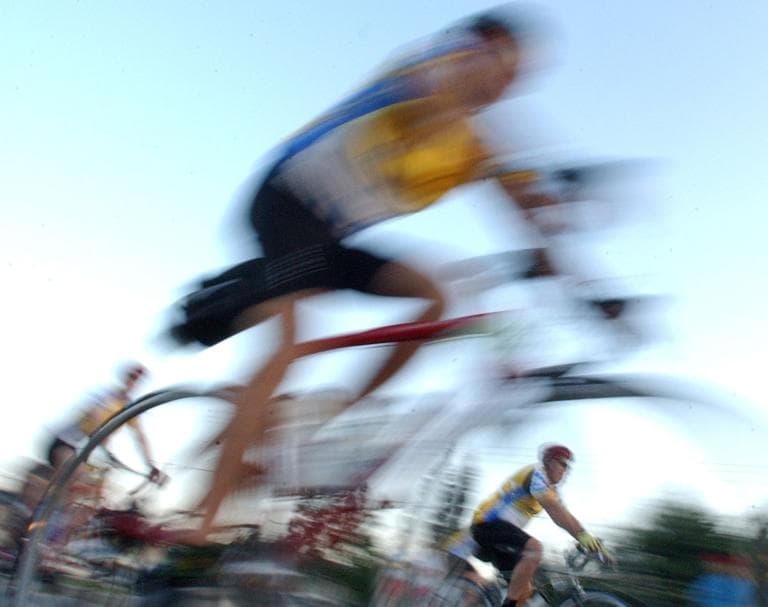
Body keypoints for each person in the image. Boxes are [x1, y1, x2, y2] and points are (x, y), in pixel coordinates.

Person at [167, 5, 609, 538]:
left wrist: (592, 291)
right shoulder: (431, 71)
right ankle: (205, 514)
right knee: (287, 346)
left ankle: (322, 417)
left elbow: (531, 218)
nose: (504, 82)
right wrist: (506, 159)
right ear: (476, 48)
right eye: (501, 64)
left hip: (329, 237)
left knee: (433, 299)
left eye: (515, 76)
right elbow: (440, 102)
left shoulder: (476, 142)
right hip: (286, 199)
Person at [462, 444, 604, 607]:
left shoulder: (552, 490)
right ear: (549, 461)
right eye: (562, 464)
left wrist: (588, 542)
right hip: (486, 525)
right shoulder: (537, 473)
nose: (565, 471)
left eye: (568, 468)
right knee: (535, 549)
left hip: (503, 536)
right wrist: (583, 535)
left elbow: (564, 516)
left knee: (524, 592)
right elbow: (554, 509)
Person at [45, 362, 158, 480]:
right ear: (125, 377)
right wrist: (104, 440)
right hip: (65, 443)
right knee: (77, 475)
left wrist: (150, 465)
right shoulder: (106, 394)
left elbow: (140, 437)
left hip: (84, 451)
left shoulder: (129, 408)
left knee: (91, 483)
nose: (133, 382)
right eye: (131, 377)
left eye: (137, 380)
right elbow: (95, 415)